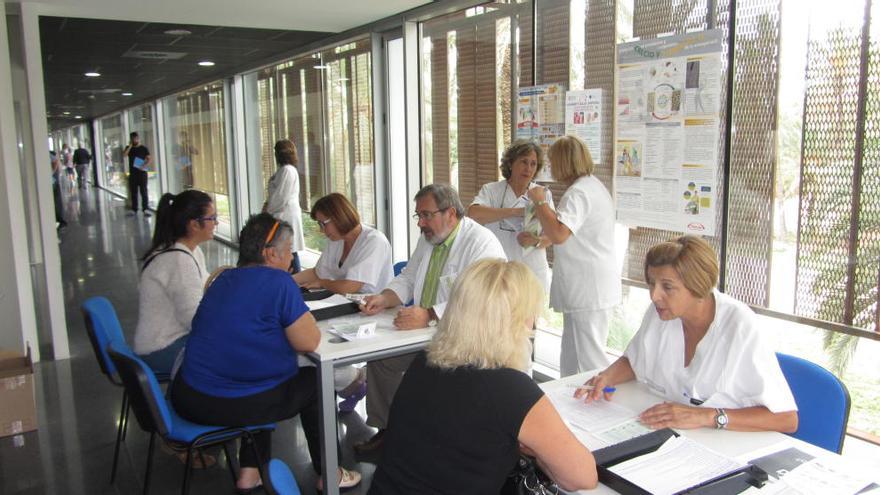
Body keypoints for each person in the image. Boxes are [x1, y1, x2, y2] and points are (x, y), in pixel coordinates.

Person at [369, 259, 598, 494]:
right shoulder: (510, 389)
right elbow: (582, 478)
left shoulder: (425, 361)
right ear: (516, 322)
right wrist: (538, 451)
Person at [171, 213, 361, 492]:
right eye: (288, 252)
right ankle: (330, 473)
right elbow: (309, 341)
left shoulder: (222, 279)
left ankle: (251, 472)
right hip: (233, 404)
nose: (291, 260)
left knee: (255, 375)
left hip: (190, 396)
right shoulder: (279, 283)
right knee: (316, 383)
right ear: (271, 254)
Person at [577, 235, 799, 433]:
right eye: (652, 284)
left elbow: (786, 419)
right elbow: (635, 360)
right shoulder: (661, 314)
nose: (654, 296)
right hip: (673, 435)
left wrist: (706, 416)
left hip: (726, 444)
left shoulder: (739, 326)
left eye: (667, 287)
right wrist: (607, 376)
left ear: (698, 286)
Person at [357, 183, 506, 452]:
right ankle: (387, 430)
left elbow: (479, 299)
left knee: (433, 377)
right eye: (418, 216)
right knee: (381, 360)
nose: (420, 223)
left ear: (450, 213)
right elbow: (409, 276)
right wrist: (385, 297)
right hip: (428, 331)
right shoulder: (429, 238)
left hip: (466, 337)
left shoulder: (481, 244)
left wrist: (429, 314)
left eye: (426, 215)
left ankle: (436, 443)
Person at [528, 135, 619, 376]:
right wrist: (539, 238)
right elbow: (567, 233)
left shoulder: (579, 193)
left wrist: (539, 202)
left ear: (563, 162)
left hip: (588, 288)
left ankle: (601, 409)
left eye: (552, 161)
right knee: (571, 355)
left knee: (590, 359)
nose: (550, 167)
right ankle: (568, 404)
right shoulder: (591, 187)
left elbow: (559, 233)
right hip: (588, 286)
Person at [293, 192, 393, 411]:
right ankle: (350, 384)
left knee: (312, 351)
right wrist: (283, 281)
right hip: (342, 305)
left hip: (370, 311)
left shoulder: (373, 241)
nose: (321, 230)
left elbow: (350, 287)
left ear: (339, 217)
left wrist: (323, 283)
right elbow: (316, 272)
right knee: (303, 348)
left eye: (323, 223)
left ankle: (354, 383)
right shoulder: (336, 241)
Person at [133, 190, 216, 375]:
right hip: (160, 348)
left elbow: (210, 286)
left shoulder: (190, 251)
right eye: (212, 218)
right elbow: (195, 319)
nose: (216, 223)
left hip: (174, 337)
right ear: (194, 224)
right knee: (230, 350)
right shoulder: (178, 260)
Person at [468, 140, 553, 291]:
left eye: (533, 164)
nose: (528, 168)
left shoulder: (542, 194)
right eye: (523, 162)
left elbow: (554, 234)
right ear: (510, 163)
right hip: (499, 268)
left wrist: (537, 241)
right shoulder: (492, 190)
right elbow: (474, 214)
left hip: (532, 271)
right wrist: (515, 212)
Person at [264, 139, 305, 273]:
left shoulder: (287, 170)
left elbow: (280, 197)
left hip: (285, 215)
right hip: (282, 213)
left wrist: (267, 211)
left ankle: (296, 280)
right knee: (286, 248)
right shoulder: (284, 170)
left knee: (289, 249)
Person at [123, 132, 152, 217]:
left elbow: (149, 159)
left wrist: (144, 166)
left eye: (136, 138)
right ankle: (134, 209)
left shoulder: (143, 148)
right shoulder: (129, 148)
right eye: (132, 139)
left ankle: (145, 208)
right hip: (133, 173)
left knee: (144, 191)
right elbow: (124, 155)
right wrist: (130, 146)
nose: (134, 140)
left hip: (142, 173)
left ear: (138, 138)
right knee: (133, 192)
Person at [50, 151, 67, 230]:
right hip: (54, 181)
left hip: (53, 181)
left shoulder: (48, 155)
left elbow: (55, 162)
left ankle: (60, 220)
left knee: (56, 201)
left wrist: (51, 173)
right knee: (56, 201)